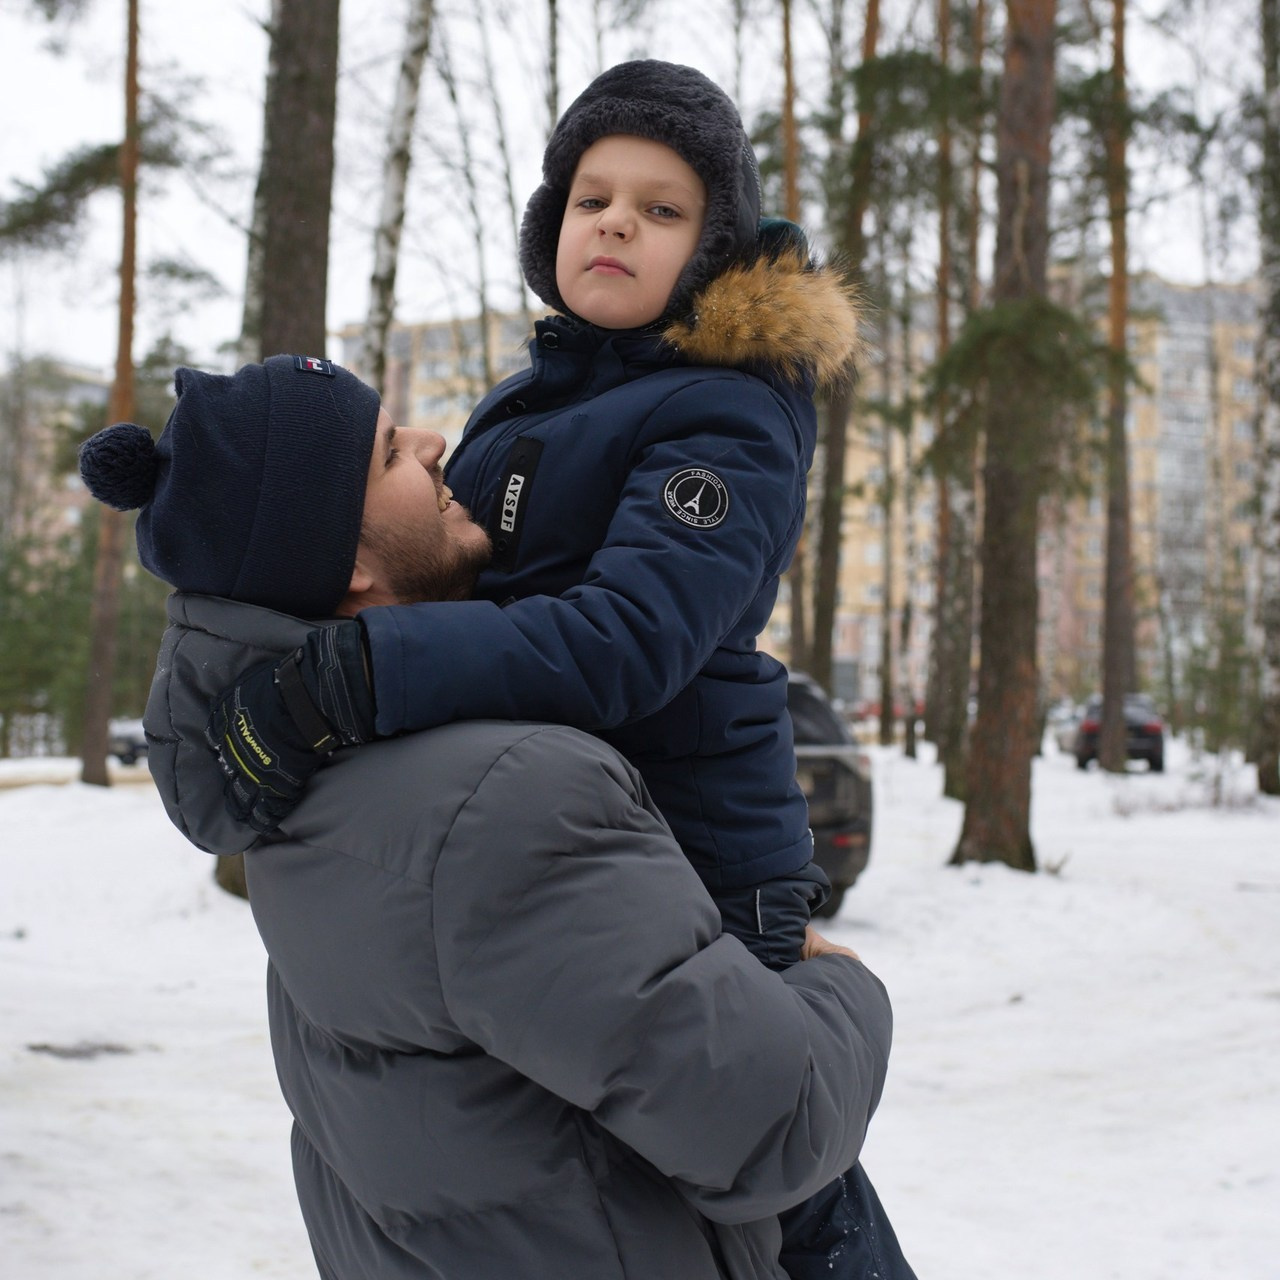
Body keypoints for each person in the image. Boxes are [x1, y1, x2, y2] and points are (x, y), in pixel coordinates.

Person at [204, 61, 916, 1279]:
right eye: (593, 197)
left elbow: (625, 641)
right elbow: (444, 573)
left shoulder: (725, 415)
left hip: (698, 836)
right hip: (576, 837)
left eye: (661, 207)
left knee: (781, 1184)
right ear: (554, 222)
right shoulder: (533, 398)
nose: (618, 224)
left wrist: (363, 672)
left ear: (708, 250)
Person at [78, 354, 896, 1280]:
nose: (435, 445)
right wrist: (843, 990)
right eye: (390, 453)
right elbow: (770, 1126)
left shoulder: (305, 782)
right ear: (342, 561)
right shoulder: (503, 802)